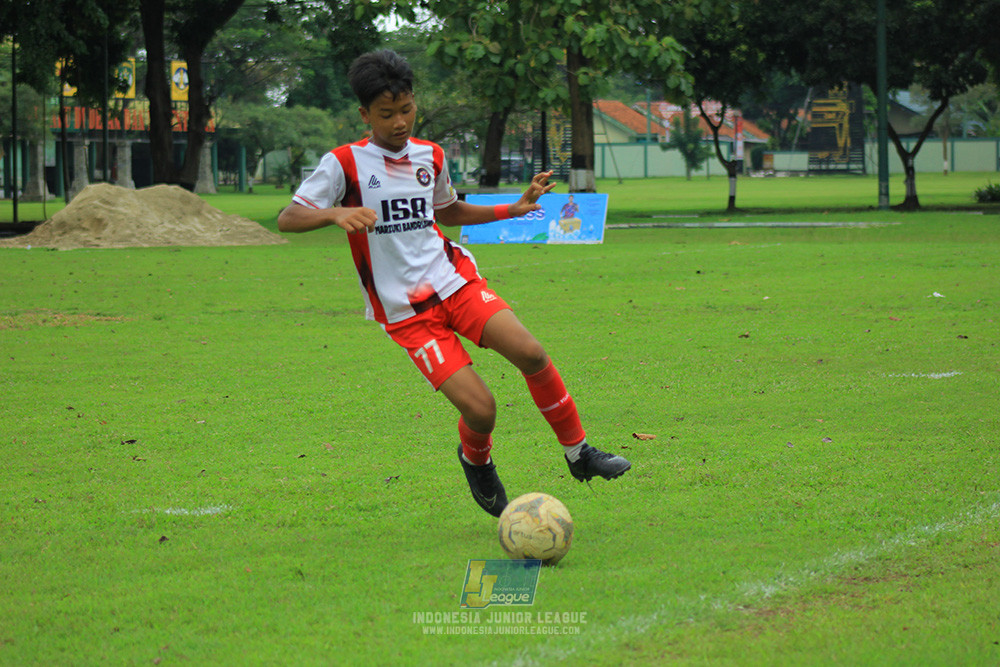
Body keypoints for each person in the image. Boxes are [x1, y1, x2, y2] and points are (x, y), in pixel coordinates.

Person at [277, 50, 630, 518]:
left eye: (406, 109)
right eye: (387, 114)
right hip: (407, 313)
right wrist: (335, 211)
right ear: (365, 114)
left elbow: (446, 211)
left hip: (454, 280)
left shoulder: (431, 156)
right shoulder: (344, 164)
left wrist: (512, 209)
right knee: (482, 410)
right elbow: (289, 217)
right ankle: (476, 460)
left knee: (531, 353)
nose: (400, 122)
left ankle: (579, 454)